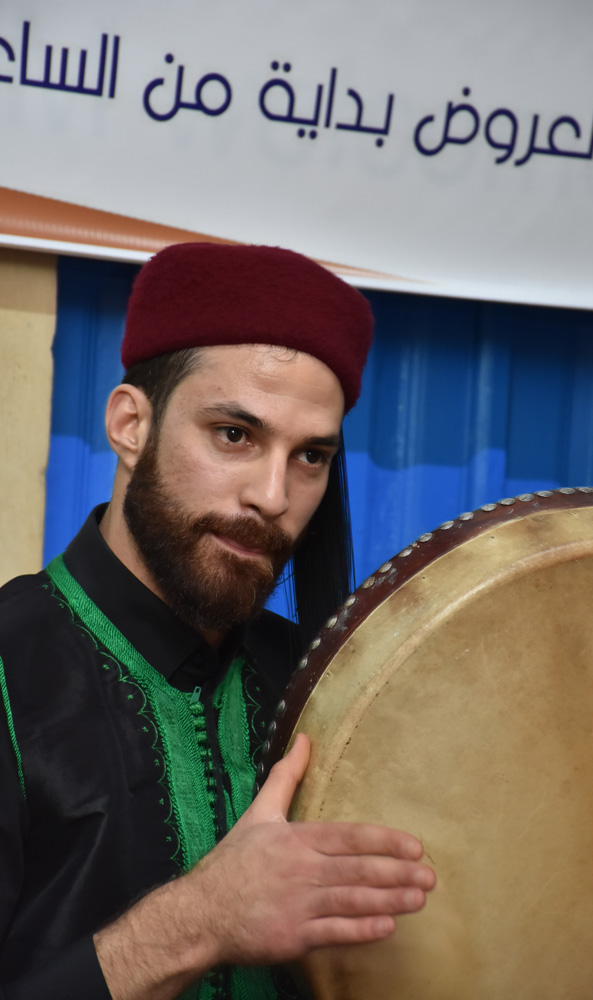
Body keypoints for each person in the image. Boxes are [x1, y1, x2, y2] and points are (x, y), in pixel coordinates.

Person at [0, 243, 436, 1000]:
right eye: (235, 434)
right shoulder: (11, 668)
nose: (273, 496)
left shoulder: (327, 686)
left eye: (310, 456)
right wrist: (201, 920)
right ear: (131, 424)